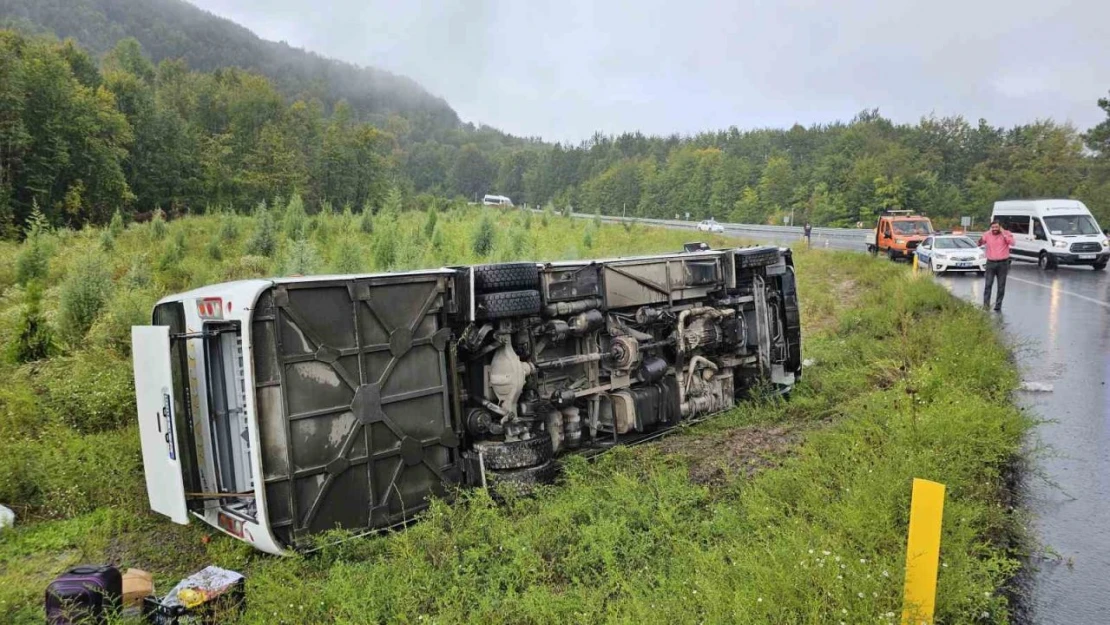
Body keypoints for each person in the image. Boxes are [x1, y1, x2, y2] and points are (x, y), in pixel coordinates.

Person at [978, 219, 1015, 311]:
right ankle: (986, 306)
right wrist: (980, 240)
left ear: (1000, 227)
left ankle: (998, 306)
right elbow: (979, 243)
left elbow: (1012, 243)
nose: (994, 229)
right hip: (991, 263)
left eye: (996, 227)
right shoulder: (987, 234)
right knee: (988, 285)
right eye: (992, 227)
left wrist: (1004, 233)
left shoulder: (1006, 233)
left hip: (1003, 263)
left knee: (1001, 286)